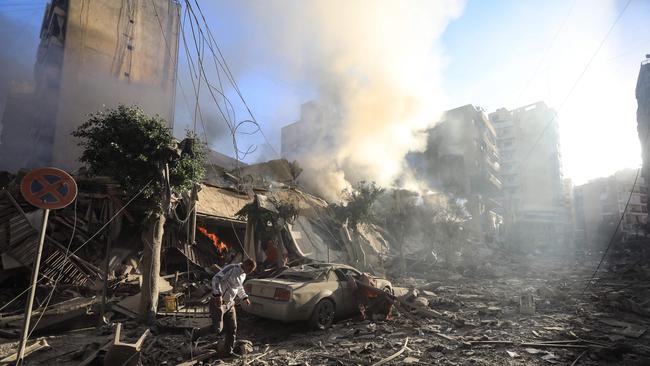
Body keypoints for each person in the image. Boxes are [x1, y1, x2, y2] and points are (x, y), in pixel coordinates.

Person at [191, 259, 257, 357]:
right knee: (217, 329)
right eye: (250, 269)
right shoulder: (231, 268)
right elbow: (216, 279)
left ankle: (228, 352)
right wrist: (217, 295)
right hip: (218, 303)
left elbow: (239, 287)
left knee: (232, 328)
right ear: (245, 264)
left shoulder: (243, 275)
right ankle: (196, 333)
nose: (251, 271)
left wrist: (244, 297)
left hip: (230, 304)